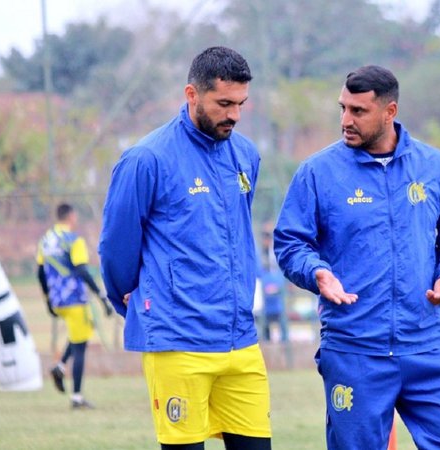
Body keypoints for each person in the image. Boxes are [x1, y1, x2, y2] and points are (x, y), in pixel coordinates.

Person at [274, 65, 440, 450]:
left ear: (390, 112)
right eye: (343, 109)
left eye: (358, 112)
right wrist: (316, 272)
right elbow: (290, 243)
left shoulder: (436, 168)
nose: (345, 121)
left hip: (427, 341)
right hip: (355, 347)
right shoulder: (317, 173)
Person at [98, 46, 271, 450]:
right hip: (178, 338)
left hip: (241, 340)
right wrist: (135, 299)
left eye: (241, 104)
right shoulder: (146, 159)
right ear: (191, 94)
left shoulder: (246, 154)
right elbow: (116, 247)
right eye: (223, 103)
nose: (234, 115)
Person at [36, 202, 113, 409]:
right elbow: (81, 270)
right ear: (70, 217)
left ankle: (59, 367)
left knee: (79, 335)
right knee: (80, 348)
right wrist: (101, 296)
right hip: (74, 299)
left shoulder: (46, 240)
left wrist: (47, 299)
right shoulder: (73, 240)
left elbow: (40, 272)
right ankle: (77, 398)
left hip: (57, 301)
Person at [258, 222, 289, 343]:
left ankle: (284, 341)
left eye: (269, 236)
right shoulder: (260, 253)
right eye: (265, 235)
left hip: (277, 285)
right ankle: (266, 340)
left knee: (281, 315)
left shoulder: (277, 251)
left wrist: (277, 284)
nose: (267, 239)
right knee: (264, 317)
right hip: (264, 287)